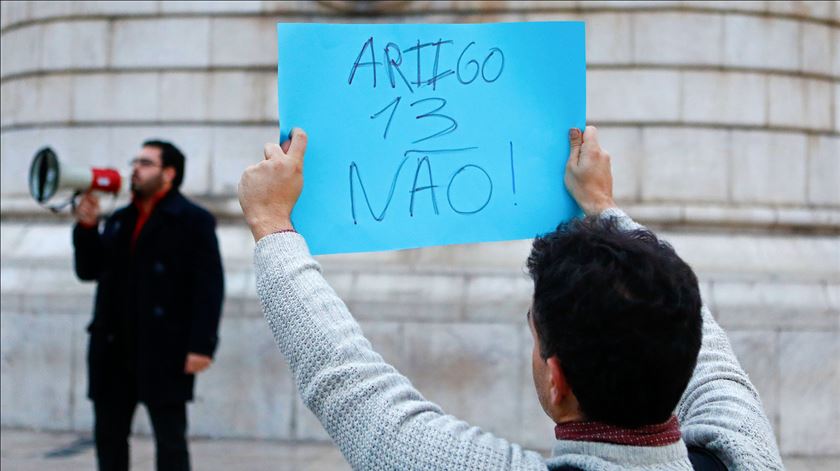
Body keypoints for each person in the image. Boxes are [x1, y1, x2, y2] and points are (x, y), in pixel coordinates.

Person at [238, 126, 783, 470]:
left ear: (557, 378)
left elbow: (349, 384)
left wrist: (269, 221)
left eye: (534, 330)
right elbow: (694, 326)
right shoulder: (744, 449)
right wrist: (602, 206)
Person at [73, 140, 224, 471]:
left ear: (168, 173)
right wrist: (86, 228)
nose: (134, 170)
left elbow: (209, 287)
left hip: (165, 349)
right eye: (135, 162)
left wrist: (202, 345)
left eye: (145, 163)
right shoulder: (119, 219)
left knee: (170, 443)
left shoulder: (193, 220)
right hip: (113, 349)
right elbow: (89, 271)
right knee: (109, 440)